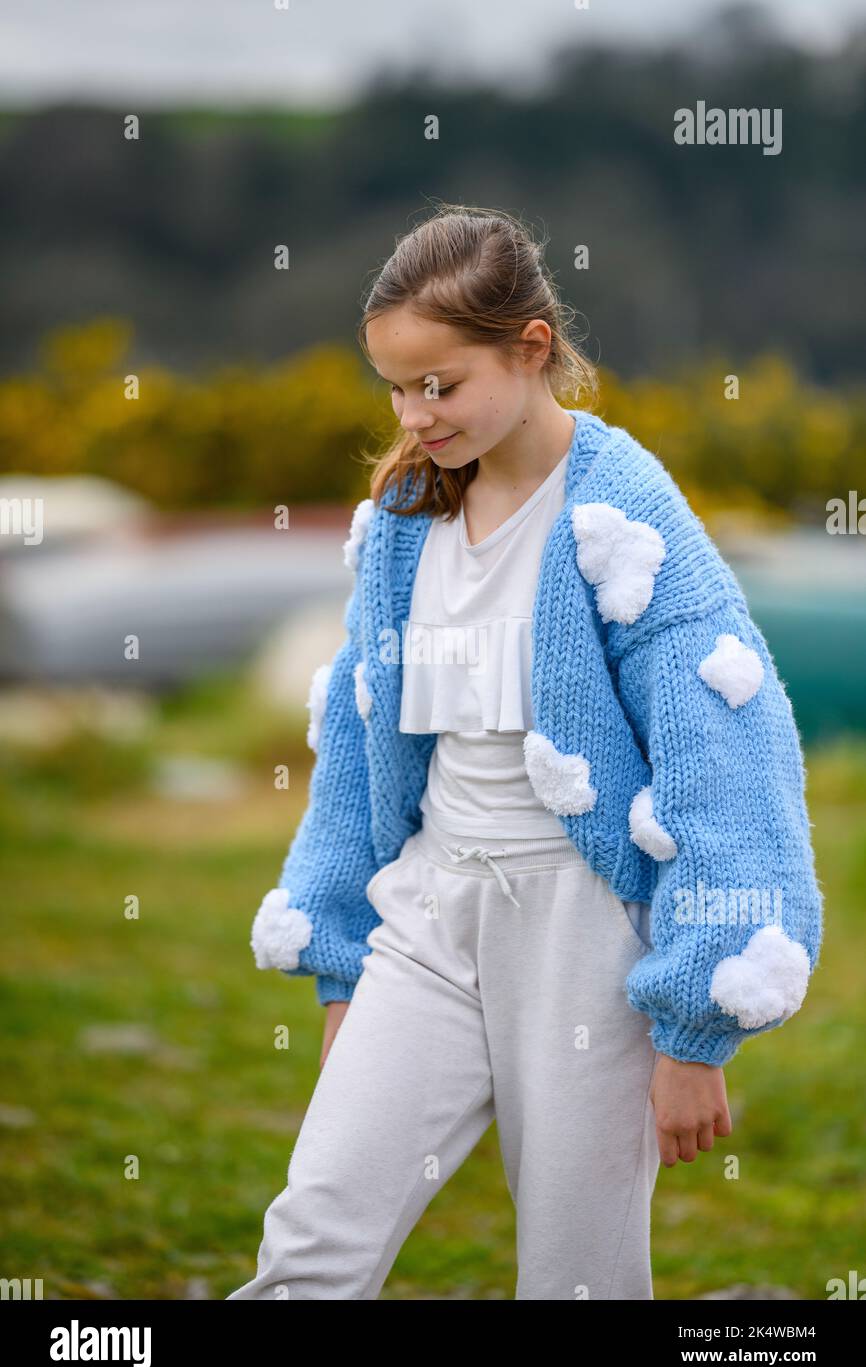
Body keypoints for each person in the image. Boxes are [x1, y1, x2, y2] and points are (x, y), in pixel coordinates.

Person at [226, 202, 823, 1301]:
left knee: (575, 1274)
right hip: (425, 919)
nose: (413, 413)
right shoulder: (405, 518)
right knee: (314, 1234)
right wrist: (339, 959)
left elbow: (726, 766)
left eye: (438, 385)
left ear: (529, 348)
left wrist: (694, 1029)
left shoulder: (623, 520)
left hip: (580, 938)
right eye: (394, 389)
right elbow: (359, 753)